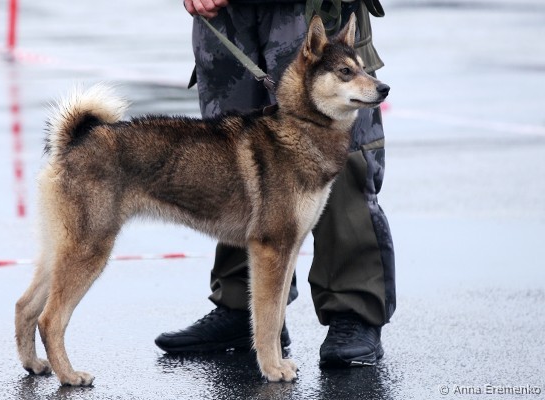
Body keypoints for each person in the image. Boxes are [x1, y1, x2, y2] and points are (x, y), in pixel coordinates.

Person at [155, 0, 395, 368]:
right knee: (229, 158)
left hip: (309, 7)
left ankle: (354, 309)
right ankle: (241, 307)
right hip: (228, 14)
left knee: (342, 156)